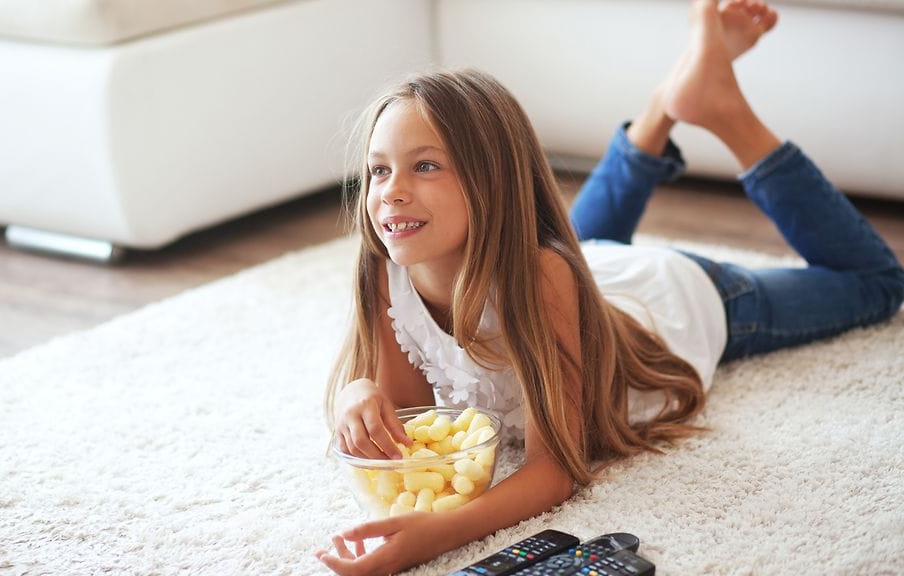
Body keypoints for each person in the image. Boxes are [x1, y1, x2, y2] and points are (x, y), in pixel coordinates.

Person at [316, 1, 904, 574]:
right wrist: (357, 391)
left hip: (676, 302)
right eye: (378, 168)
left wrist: (436, 535)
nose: (389, 191)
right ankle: (664, 107)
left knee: (876, 284)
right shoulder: (387, 266)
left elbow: (555, 471)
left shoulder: (546, 278)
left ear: (492, 185)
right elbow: (407, 434)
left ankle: (721, 109)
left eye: (424, 166)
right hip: (578, 272)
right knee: (571, 251)